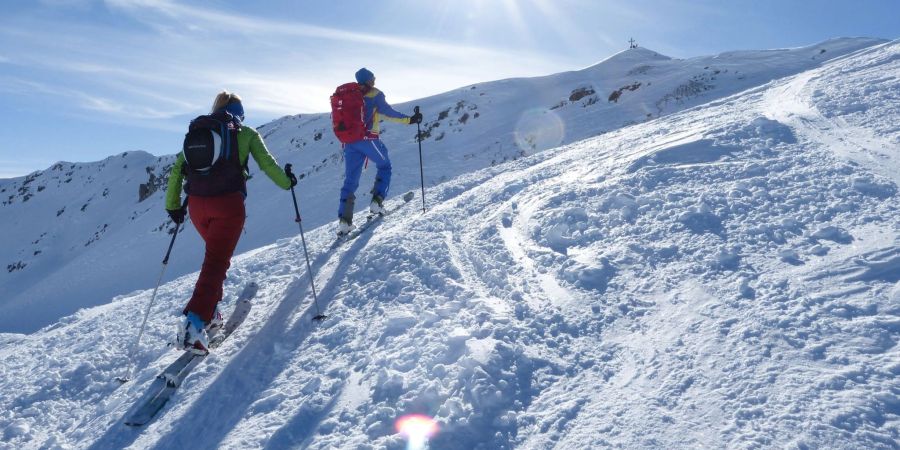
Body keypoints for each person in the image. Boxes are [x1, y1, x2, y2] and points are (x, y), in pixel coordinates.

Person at [165, 91, 297, 353]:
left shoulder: (199, 130)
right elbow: (268, 165)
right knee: (216, 262)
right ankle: (194, 323)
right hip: (228, 205)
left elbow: (178, 169)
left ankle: (211, 314)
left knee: (216, 259)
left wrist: (173, 206)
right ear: (240, 112)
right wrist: (287, 182)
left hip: (196, 207)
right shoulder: (245, 133)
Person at [337, 67, 422, 235]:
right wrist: (410, 120)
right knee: (385, 166)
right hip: (368, 139)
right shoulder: (374, 94)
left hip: (349, 143)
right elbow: (388, 113)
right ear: (368, 80)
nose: (375, 81)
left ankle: (344, 221)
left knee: (350, 181)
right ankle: (377, 201)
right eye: (373, 78)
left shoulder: (348, 95)